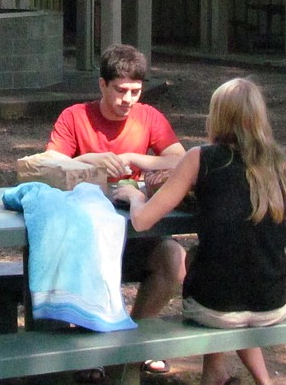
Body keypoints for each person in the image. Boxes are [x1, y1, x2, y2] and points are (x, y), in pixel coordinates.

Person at [114, 77, 286, 385]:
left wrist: (134, 196)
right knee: (231, 266)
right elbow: (283, 212)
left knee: (206, 267)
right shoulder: (283, 161)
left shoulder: (201, 158)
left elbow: (142, 221)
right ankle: (223, 377)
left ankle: (216, 376)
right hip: (275, 299)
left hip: (217, 306)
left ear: (218, 116)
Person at [46, 43, 186, 379]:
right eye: (120, 91)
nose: (128, 100)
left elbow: (182, 159)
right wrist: (87, 160)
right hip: (85, 234)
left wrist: (137, 161)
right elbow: (47, 166)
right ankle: (93, 345)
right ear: (102, 85)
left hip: (135, 227)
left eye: (136, 92)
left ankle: (134, 339)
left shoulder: (149, 117)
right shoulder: (75, 116)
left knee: (175, 259)